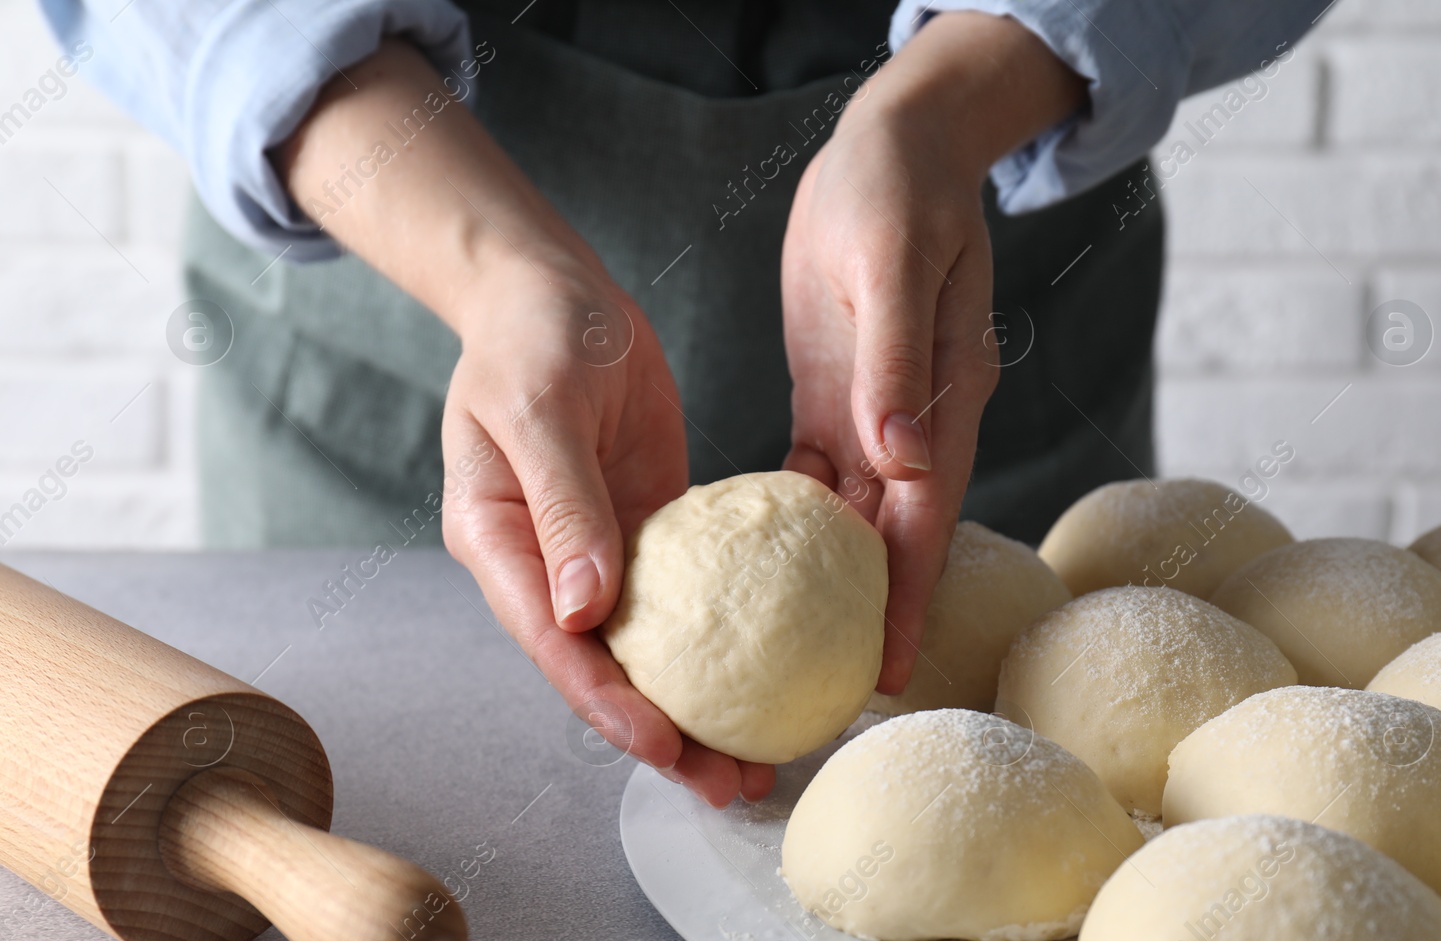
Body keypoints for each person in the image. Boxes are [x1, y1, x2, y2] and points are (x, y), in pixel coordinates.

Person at [42, 0, 1325, 807]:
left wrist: (941, 113)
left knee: (1042, 779)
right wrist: (496, 274)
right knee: (391, 801)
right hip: (399, 259)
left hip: (969, 275)